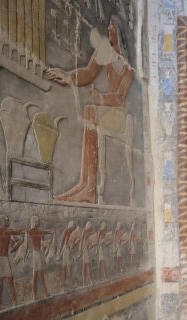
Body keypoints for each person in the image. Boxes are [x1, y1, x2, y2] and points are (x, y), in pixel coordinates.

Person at [45, 17, 134, 203]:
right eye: (109, 24)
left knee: (91, 111)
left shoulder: (129, 64)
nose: (109, 28)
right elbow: (88, 73)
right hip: (106, 113)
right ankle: (84, 183)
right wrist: (69, 76)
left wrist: (101, 98)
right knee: (89, 111)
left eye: (113, 25)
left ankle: (90, 188)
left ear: (121, 31)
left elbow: (120, 96)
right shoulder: (104, 50)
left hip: (119, 115)